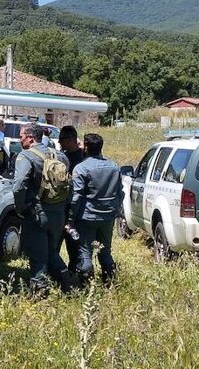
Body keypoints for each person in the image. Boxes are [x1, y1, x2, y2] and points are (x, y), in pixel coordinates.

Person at [11, 123, 70, 297]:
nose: (20, 139)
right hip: (58, 213)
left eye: (21, 136)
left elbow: (18, 186)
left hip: (37, 213)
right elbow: (68, 185)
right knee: (51, 251)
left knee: (37, 255)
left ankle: (39, 292)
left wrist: (21, 208)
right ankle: (68, 283)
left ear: (30, 138)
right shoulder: (61, 157)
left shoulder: (26, 156)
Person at [67, 132, 124, 289]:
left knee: (85, 252)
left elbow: (76, 196)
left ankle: (85, 287)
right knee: (105, 251)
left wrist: (70, 220)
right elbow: (120, 192)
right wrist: (116, 211)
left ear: (85, 147)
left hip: (87, 217)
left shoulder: (81, 168)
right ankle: (109, 284)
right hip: (108, 217)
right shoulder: (114, 167)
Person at [58, 126, 86, 274]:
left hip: (74, 210)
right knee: (55, 246)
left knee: (74, 247)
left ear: (70, 139)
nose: (59, 142)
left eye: (61, 139)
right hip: (61, 207)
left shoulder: (81, 160)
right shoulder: (63, 157)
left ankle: (73, 274)